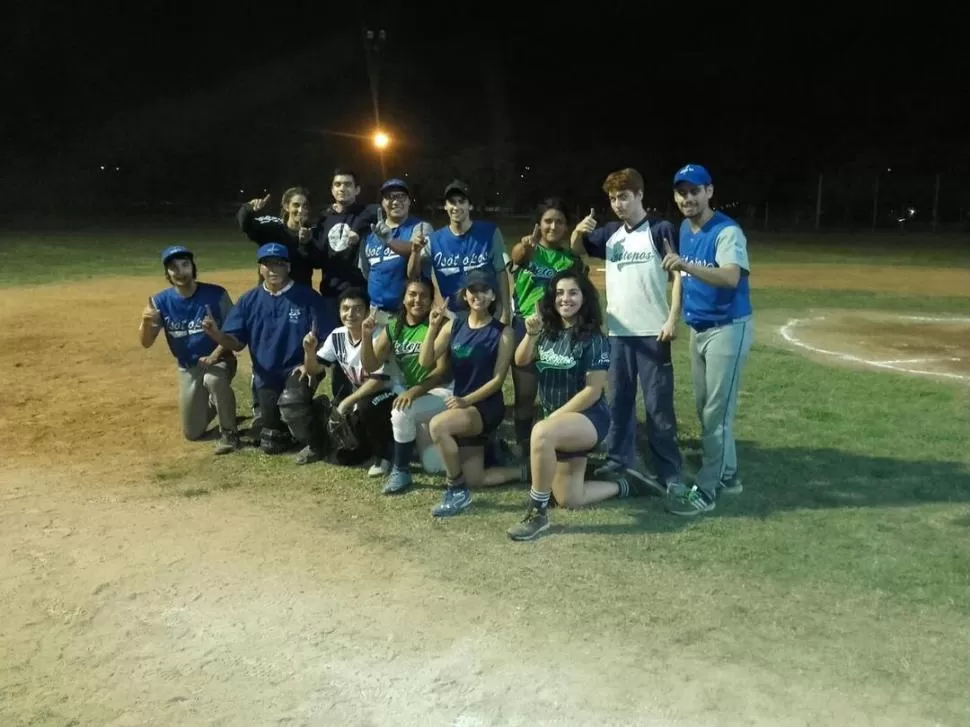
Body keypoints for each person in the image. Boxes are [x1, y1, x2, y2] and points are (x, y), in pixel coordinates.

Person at [507, 271, 655, 541]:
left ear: (584, 298)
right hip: (560, 423)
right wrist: (530, 334)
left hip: (588, 418)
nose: (566, 298)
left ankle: (537, 513)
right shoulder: (547, 332)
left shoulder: (594, 339)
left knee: (541, 432)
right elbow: (520, 360)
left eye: (573, 293)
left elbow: (591, 391)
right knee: (570, 498)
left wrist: (552, 419)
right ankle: (626, 485)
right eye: (560, 293)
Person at [570, 167, 683, 494]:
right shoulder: (609, 233)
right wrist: (578, 231)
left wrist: (673, 318)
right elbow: (578, 248)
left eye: (623, 197)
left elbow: (677, 276)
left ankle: (670, 472)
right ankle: (620, 459)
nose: (617, 204)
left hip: (653, 333)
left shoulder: (660, 229)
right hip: (617, 334)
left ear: (639, 195)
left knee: (658, 406)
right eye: (613, 198)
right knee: (619, 402)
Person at [661, 164, 754, 516]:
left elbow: (731, 277)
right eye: (682, 192)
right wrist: (673, 316)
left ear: (709, 192)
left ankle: (709, 488)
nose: (688, 198)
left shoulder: (727, 231)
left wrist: (685, 265)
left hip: (728, 327)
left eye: (694, 190)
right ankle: (729, 475)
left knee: (716, 413)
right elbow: (681, 278)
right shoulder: (685, 227)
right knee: (706, 409)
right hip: (698, 328)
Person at [201, 243, 336, 464]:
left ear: (288, 267)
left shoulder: (307, 297)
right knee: (271, 443)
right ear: (260, 268)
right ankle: (293, 424)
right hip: (267, 376)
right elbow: (235, 344)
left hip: (298, 370)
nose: (273, 270)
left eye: (279, 264)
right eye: (268, 264)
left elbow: (328, 335)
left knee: (292, 401)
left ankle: (317, 430)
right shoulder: (249, 300)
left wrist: (311, 360)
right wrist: (216, 335)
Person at [418, 269, 525, 517]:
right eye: (473, 290)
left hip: (485, 405)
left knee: (439, 426)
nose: (479, 295)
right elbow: (425, 362)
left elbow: (498, 380)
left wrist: (466, 400)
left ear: (493, 295)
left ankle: (456, 491)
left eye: (485, 290)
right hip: (462, 405)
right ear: (465, 296)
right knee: (475, 478)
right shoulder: (454, 325)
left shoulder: (503, 332)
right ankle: (524, 472)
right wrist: (433, 328)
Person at [139, 246, 240, 454]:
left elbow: (235, 333)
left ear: (193, 267)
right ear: (167, 273)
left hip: (220, 359)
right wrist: (146, 322)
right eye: (173, 268)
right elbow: (146, 342)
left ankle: (230, 433)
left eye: (185, 265)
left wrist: (215, 354)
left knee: (214, 379)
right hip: (188, 367)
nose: (180, 272)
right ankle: (217, 405)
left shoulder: (216, 294)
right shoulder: (160, 302)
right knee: (192, 433)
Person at [360, 277, 453, 494]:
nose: (417, 300)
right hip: (414, 395)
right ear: (403, 299)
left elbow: (440, 372)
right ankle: (396, 460)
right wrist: (366, 336)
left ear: (431, 301)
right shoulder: (394, 327)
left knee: (402, 411)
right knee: (432, 465)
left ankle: (400, 469)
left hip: (442, 392)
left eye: (423, 296)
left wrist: (414, 391)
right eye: (412, 294)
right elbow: (371, 364)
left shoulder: (440, 324)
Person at [507, 197, 584, 457]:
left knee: (558, 393)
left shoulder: (568, 260)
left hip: (557, 331)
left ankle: (559, 442)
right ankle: (522, 444)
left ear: (566, 226)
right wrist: (524, 247)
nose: (553, 226)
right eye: (548, 221)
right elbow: (517, 256)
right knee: (526, 393)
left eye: (559, 222)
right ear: (539, 224)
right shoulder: (528, 250)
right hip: (526, 328)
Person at [299, 287, 395, 473]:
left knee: (367, 405)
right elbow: (313, 369)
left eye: (357, 309)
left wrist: (348, 401)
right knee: (344, 452)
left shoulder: (379, 335)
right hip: (362, 393)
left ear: (368, 312)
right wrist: (309, 352)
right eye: (345, 308)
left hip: (390, 392)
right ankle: (318, 444)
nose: (350, 314)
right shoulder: (337, 335)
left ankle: (384, 456)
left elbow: (379, 381)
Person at [308, 169, 380, 405]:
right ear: (332, 189)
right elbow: (318, 257)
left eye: (348, 184)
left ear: (357, 189)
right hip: (332, 292)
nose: (343, 189)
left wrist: (358, 232)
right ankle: (341, 397)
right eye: (338, 184)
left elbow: (376, 212)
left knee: (364, 344)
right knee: (339, 348)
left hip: (360, 290)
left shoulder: (365, 212)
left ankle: (368, 393)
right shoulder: (323, 219)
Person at [411, 180, 511, 325]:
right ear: (445, 206)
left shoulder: (490, 232)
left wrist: (505, 311)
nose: (456, 207)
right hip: (453, 318)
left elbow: (501, 272)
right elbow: (413, 275)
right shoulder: (434, 240)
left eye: (461, 201)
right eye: (452, 202)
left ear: (469, 205)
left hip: (489, 314)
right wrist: (415, 252)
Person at [361, 178, 433, 326]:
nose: (395, 201)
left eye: (401, 196)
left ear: (409, 201)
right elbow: (366, 272)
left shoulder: (420, 227)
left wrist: (389, 241)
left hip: (407, 314)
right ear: (382, 203)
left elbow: (416, 252)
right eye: (389, 197)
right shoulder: (371, 234)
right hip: (375, 313)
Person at [237, 187, 314, 286]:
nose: (300, 210)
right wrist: (248, 208)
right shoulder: (272, 228)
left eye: (305, 206)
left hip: (300, 295)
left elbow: (318, 261)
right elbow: (245, 226)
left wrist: (306, 244)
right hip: (270, 295)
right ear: (286, 207)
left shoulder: (314, 233)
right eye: (296, 205)